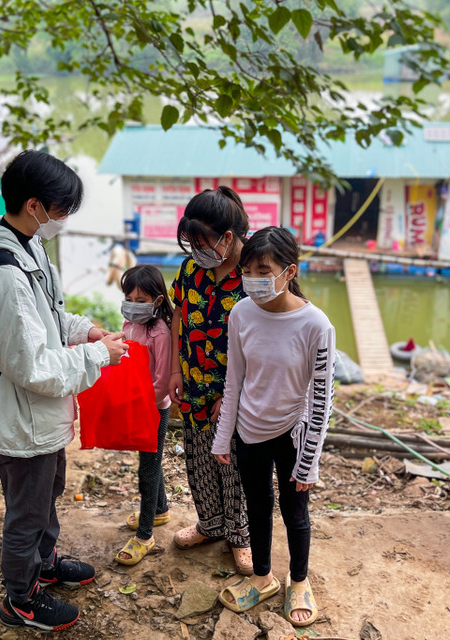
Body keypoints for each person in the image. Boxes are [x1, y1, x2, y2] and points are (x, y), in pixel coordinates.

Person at [0, 150, 128, 633]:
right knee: (26, 512)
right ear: (35, 205)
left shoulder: (28, 246)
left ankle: (44, 564)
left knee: (48, 494)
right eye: (62, 208)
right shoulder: (4, 276)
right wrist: (100, 356)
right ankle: (20, 596)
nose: (65, 218)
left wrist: (85, 331)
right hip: (24, 416)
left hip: (46, 416)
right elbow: (33, 367)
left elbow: (48, 319)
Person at [211, 226, 334, 628]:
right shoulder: (241, 313)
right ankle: (262, 577)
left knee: (294, 513)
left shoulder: (317, 325)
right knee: (258, 507)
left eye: (263, 270)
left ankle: (299, 580)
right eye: (248, 270)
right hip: (249, 431)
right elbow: (235, 380)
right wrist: (223, 434)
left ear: (289, 270)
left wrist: (310, 461)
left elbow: (320, 401)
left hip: (292, 435)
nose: (253, 279)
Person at [168, 186, 252, 575]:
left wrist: (234, 395)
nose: (195, 252)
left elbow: (268, 339)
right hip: (194, 384)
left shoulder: (254, 274)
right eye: (191, 242)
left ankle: (241, 535)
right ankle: (210, 523)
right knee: (199, 456)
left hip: (238, 391)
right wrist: (173, 369)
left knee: (234, 463)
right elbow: (178, 318)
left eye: (202, 243)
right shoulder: (190, 272)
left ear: (228, 238)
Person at [114, 264, 174, 566]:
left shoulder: (160, 332)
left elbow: (162, 381)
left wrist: (143, 406)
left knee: (147, 469)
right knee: (150, 460)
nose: (134, 306)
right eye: (130, 299)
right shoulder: (129, 325)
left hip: (153, 408)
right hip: (136, 403)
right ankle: (160, 509)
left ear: (158, 301)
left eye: (142, 301)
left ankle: (146, 535)